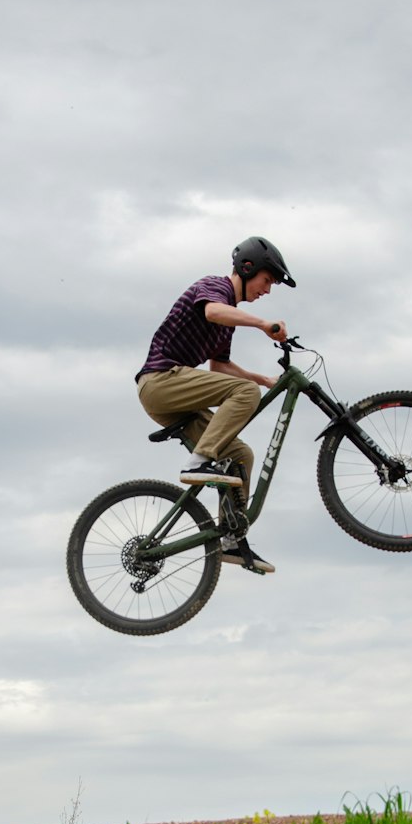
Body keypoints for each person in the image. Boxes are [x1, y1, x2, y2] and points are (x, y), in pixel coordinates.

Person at [135, 235, 296, 575]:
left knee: (240, 455)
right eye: (267, 281)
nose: (267, 290)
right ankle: (200, 462)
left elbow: (219, 367)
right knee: (244, 394)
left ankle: (232, 541)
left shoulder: (227, 324)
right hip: (160, 383)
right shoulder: (214, 288)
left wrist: (263, 379)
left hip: (178, 399)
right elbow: (212, 311)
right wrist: (264, 324)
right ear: (247, 268)